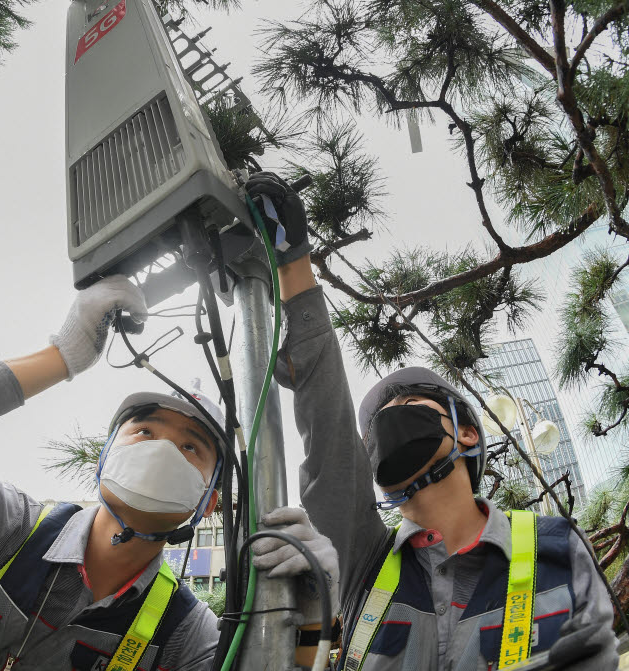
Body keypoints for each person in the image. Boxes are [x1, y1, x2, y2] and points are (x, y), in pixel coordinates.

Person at [0, 240, 341, 668]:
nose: (163, 447)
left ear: (210, 501)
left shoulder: (184, 631)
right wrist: (63, 356)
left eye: (191, 447)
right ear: (104, 457)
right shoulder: (6, 529)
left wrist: (314, 611)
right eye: (143, 430)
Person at [244, 172, 620, 669]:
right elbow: (329, 429)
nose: (387, 423)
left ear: (467, 432)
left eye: (410, 406)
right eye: (375, 423)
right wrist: (294, 267)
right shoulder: (363, 560)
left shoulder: (556, 546)